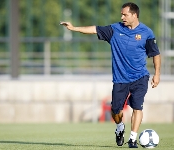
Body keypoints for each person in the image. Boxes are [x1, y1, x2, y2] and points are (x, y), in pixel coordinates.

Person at [60, 2, 161, 148]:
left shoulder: (147, 33)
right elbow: (94, 29)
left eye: (125, 14)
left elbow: (155, 54)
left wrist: (157, 74)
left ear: (134, 15)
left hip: (140, 77)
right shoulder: (114, 29)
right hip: (120, 79)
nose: (122, 17)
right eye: (121, 14)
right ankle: (120, 127)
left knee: (137, 107)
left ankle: (132, 139)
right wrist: (73, 28)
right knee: (116, 111)